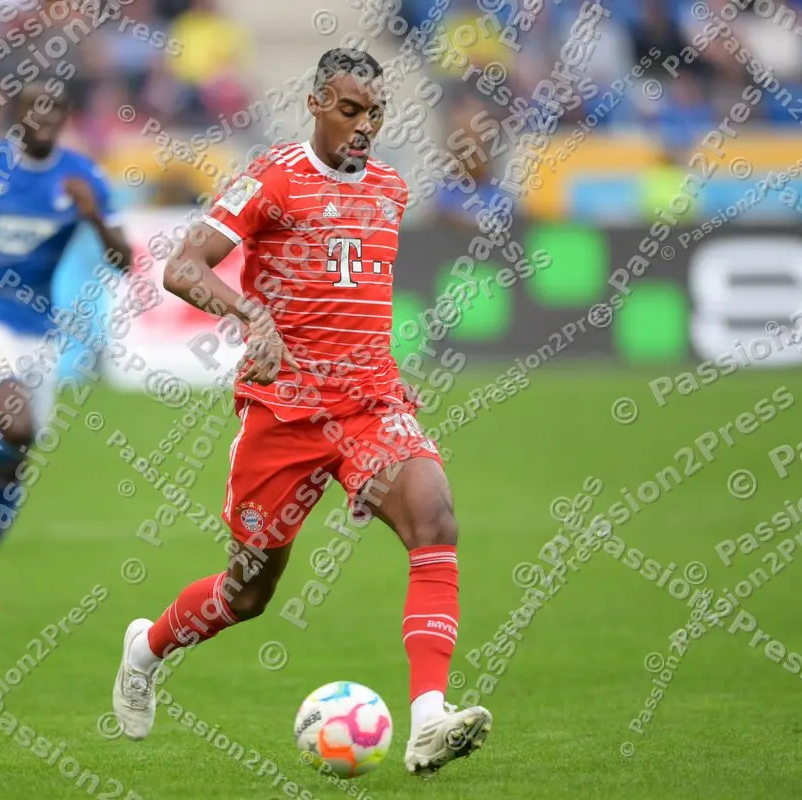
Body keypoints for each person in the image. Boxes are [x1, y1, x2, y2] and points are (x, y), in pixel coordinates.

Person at [110, 49, 492, 776]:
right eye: (350, 110)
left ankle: (428, 718)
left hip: (371, 401)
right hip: (283, 412)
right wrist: (249, 311)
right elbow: (182, 267)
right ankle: (148, 648)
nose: (364, 126)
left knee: (435, 520)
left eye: (375, 112)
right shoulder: (271, 180)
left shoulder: (389, 188)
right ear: (316, 103)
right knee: (247, 592)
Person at [0, 82, 132, 616]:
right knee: (15, 426)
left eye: (54, 110)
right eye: (33, 109)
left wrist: (96, 218)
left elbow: (125, 261)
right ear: (15, 115)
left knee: (20, 460)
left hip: (39, 327)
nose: (43, 118)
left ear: (65, 118)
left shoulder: (83, 179)